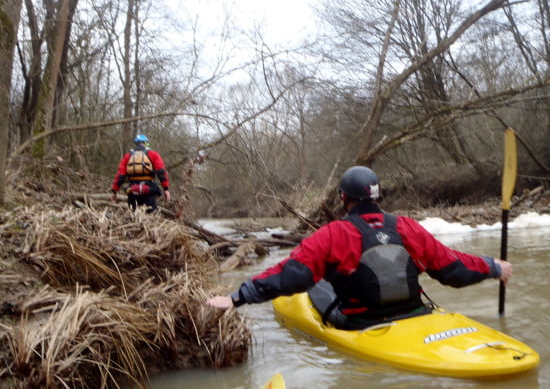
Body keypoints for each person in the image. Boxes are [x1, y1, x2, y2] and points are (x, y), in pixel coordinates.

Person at [207, 166, 512, 329]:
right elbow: (452, 268)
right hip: (416, 314)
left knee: (318, 280)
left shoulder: (333, 234)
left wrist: (236, 297)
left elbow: (292, 275)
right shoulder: (407, 227)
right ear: (378, 196)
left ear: (343, 198)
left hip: (362, 324)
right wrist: (493, 267)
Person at [111, 134, 171, 213]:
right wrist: (166, 189)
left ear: (136, 143)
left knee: (132, 213)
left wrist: (114, 191)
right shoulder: (153, 154)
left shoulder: (128, 156)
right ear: (146, 143)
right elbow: (161, 173)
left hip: (132, 188)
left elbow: (120, 176)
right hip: (149, 188)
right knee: (151, 213)